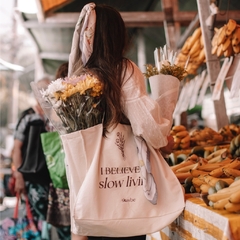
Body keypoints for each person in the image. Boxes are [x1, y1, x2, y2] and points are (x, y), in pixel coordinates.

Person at [68, 3, 179, 240]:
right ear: (117, 35)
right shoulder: (123, 69)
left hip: (92, 194)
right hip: (125, 192)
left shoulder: (77, 78)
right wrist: (163, 131)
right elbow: (145, 124)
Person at [12, 77, 52, 233]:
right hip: (31, 179)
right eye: (43, 92)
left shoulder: (53, 117)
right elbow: (16, 148)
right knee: (33, 223)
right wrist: (19, 176)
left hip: (50, 179)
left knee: (47, 224)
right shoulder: (28, 117)